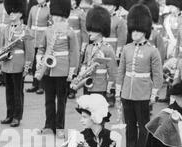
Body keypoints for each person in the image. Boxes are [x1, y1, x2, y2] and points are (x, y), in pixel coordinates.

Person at [115, 4, 163, 147]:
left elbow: (157, 74)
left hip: (143, 92)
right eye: (133, 30)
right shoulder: (127, 48)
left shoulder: (152, 51)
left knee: (143, 124)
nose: (134, 33)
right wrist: (118, 90)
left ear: (145, 32)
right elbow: (121, 71)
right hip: (127, 91)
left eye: (138, 31)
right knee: (129, 123)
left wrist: (154, 93)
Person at [36, 0, 79, 139]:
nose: (55, 18)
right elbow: (42, 48)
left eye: (58, 16)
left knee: (61, 101)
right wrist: (39, 59)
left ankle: (60, 127)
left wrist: (72, 71)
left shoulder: (70, 32)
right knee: (48, 99)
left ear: (63, 16)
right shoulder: (48, 30)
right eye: (54, 15)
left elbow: (74, 52)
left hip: (62, 70)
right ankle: (49, 125)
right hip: (48, 69)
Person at [0, 0, 34, 128]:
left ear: (20, 13)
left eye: (14, 12)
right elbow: (3, 45)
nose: (11, 14)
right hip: (7, 63)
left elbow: (30, 51)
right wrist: (1, 60)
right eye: (10, 12)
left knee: (17, 92)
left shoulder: (25, 30)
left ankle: (17, 116)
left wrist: (27, 66)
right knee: (8, 91)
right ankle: (9, 114)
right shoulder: (6, 28)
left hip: (19, 64)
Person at [71, 5, 117, 97]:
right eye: (89, 29)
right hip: (87, 84)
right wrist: (81, 74)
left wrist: (110, 87)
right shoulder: (89, 47)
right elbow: (84, 63)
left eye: (93, 30)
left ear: (100, 30)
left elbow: (112, 70)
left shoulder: (107, 48)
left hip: (100, 86)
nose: (89, 32)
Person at [26, 0, 50, 95]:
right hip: (32, 39)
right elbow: (29, 25)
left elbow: (49, 27)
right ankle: (34, 84)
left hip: (42, 40)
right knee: (34, 62)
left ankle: (41, 85)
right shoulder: (33, 8)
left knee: (41, 62)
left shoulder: (48, 10)